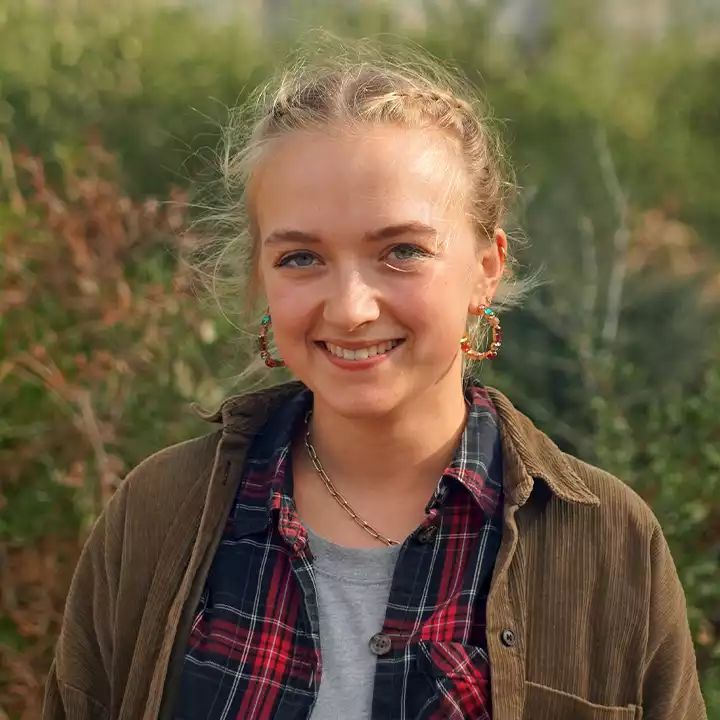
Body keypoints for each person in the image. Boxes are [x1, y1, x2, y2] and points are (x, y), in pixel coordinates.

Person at [43, 39, 706, 720]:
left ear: (487, 266)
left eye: (401, 251)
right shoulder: (160, 513)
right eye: (301, 257)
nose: (351, 308)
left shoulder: (607, 544)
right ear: (260, 277)